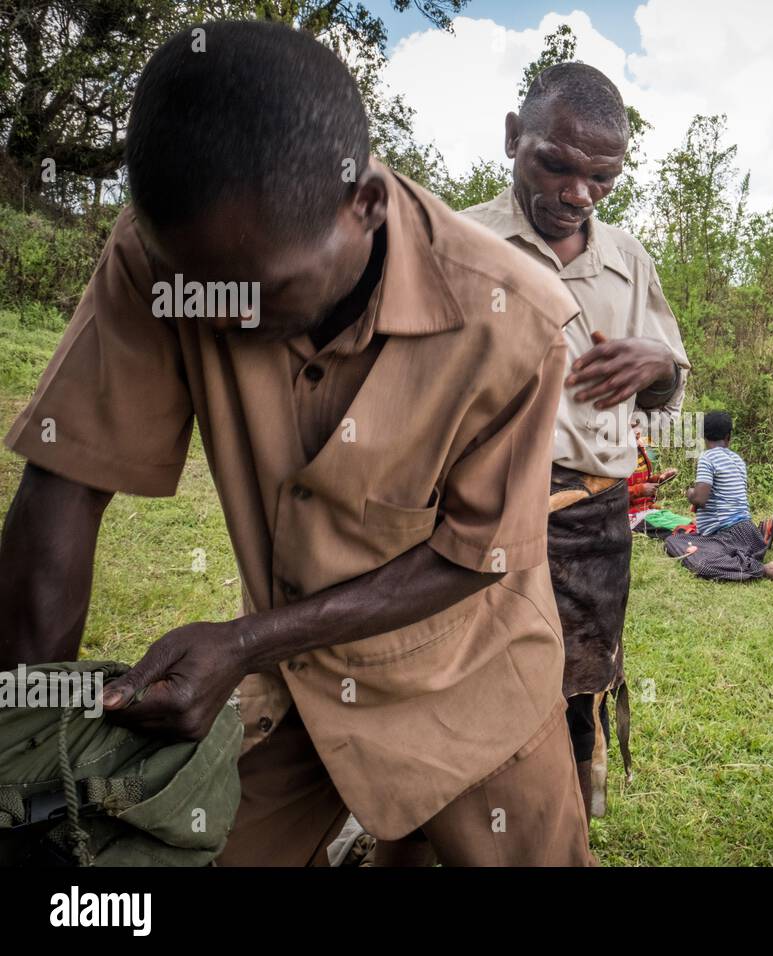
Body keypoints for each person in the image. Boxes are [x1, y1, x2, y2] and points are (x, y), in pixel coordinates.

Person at [0, 21, 594, 867]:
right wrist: (23, 731)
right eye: (197, 295)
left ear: (366, 206)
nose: (222, 319)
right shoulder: (163, 262)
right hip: (290, 692)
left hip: (470, 675)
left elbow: (472, 557)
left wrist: (246, 642)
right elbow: (65, 481)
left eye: (262, 293)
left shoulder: (515, 320)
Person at [462, 62, 691, 820]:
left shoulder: (627, 259)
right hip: (483, 511)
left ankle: (559, 820)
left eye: (602, 177)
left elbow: (667, 387)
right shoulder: (459, 244)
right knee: (472, 685)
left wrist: (655, 364)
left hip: (593, 520)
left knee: (575, 681)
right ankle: (444, 822)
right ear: (511, 139)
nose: (578, 194)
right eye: (555, 165)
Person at [664, 411, 773, 582]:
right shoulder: (738, 460)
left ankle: (761, 569)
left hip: (727, 535)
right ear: (729, 437)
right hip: (748, 532)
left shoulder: (708, 458)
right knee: (694, 539)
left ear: (703, 436)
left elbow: (700, 499)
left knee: (677, 544)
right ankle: (756, 543)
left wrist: (689, 493)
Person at [628, 427, 678, 525]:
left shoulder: (640, 451)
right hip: (626, 515)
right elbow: (609, 495)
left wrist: (661, 478)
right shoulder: (612, 458)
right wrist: (639, 490)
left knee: (688, 523)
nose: (637, 431)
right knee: (681, 528)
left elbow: (645, 482)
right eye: (632, 427)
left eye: (638, 426)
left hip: (647, 508)